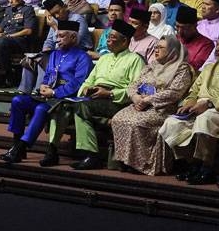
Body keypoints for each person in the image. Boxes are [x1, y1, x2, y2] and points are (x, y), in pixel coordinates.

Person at [159, 27, 219, 185]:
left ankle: (206, 167)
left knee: (205, 119)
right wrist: (189, 102)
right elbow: (194, 89)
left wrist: (209, 103)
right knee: (172, 122)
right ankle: (191, 163)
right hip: (198, 107)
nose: (218, 48)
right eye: (218, 44)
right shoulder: (209, 68)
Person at [45, 20, 145, 169]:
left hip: (116, 102)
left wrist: (110, 93)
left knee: (81, 107)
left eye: (112, 38)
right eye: (108, 37)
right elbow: (87, 81)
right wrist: (85, 90)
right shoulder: (104, 58)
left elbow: (135, 90)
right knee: (62, 106)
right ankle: (52, 151)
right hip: (92, 98)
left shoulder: (135, 60)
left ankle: (91, 155)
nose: (108, 40)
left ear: (125, 41)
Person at [0, 19, 92, 164]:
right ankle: (17, 145)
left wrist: (54, 93)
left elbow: (79, 83)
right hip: (47, 96)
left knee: (42, 108)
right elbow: (48, 74)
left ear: (73, 37)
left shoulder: (83, 57)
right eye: (57, 36)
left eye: (62, 36)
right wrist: (43, 85)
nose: (57, 39)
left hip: (66, 100)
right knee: (18, 101)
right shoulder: (55, 54)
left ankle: (20, 148)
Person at [110, 35, 195, 175]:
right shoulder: (152, 66)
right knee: (118, 119)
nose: (156, 50)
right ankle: (126, 161)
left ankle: (142, 163)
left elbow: (174, 92)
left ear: (173, 51)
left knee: (137, 123)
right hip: (140, 104)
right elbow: (133, 85)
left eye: (161, 48)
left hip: (163, 108)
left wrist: (148, 100)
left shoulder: (181, 68)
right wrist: (136, 97)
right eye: (156, 47)